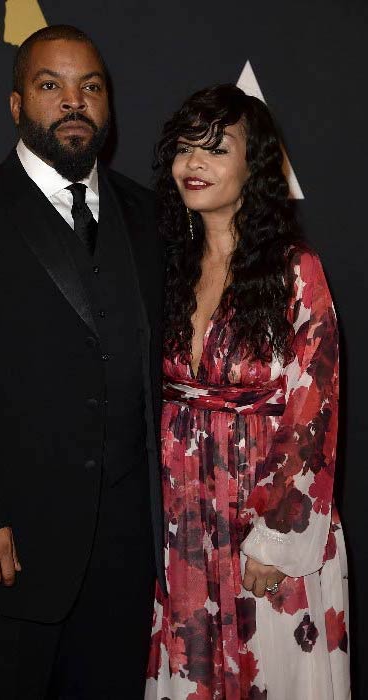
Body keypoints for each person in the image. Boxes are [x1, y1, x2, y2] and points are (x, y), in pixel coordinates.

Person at [0, 25, 165, 700]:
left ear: (109, 106)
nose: (73, 102)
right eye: (51, 86)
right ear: (17, 104)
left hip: (126, 555)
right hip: (6, 550)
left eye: (91, 87)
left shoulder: (152, 215)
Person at [145, 84, 349, 699]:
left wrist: (278, 540)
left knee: (275, 671)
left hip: (267, 518)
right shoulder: (167, 265)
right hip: (183, 522)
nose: (194, 163)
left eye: (216, 148)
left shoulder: (295, 269)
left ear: (253, 165)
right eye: (186, 148)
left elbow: (314, 409)